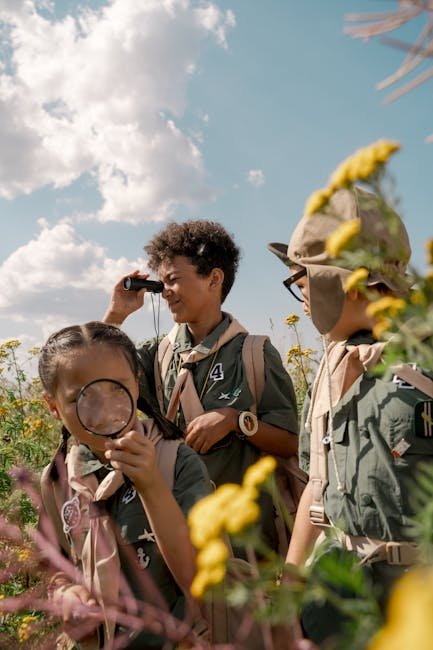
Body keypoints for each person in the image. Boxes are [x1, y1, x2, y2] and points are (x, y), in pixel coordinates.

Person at [268, 186, 433, 644]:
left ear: (350, 281)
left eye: (304, 285)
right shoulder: (330, 367)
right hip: (336, 599)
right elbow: (314, 489)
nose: (301, 302)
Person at [103, 219, 300, 554]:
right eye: (162, 283)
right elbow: (100, 378)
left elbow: (289, 441)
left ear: (214, 279)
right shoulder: (159, 354)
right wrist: (116, 314)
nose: (165, 292)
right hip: (176, 534)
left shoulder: (253, 353)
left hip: (246, 542)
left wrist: (234, 420)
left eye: (174, 280)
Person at [38, 321, 212, 649]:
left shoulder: (177, 463)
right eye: (81, 398)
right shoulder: (58, 481)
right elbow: (58, 565)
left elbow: (203, 582)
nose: (104, 412)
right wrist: (66, 594)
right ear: (53, 406)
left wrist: (151, 487)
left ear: (137, 383)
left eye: (117, 388)